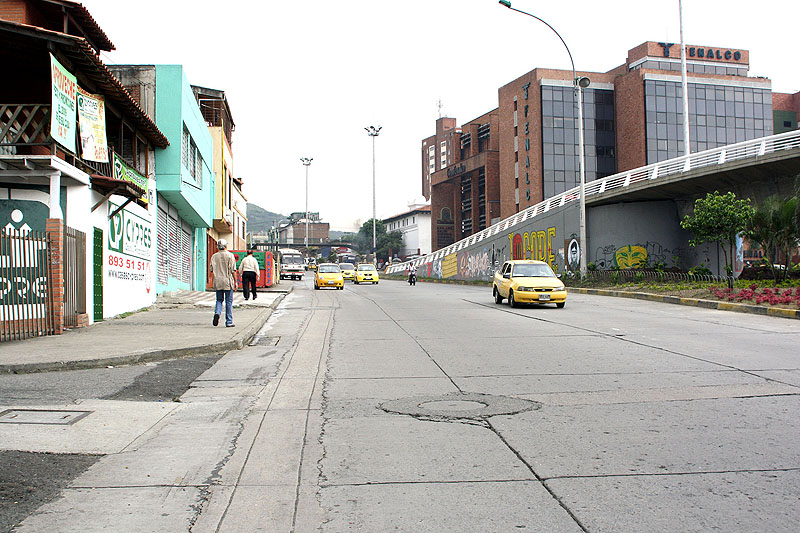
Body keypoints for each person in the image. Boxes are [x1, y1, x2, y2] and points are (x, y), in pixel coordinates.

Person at [210, 238, 236, 327]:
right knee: (228, 301)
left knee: (219, 300)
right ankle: (229, 321)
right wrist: (235, 282)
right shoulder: (230, 255)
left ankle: (217, 312)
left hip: (218, 281)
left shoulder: (214, 256)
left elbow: (211, 269)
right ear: (226, 246)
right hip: (227, 281)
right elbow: (233, 270)